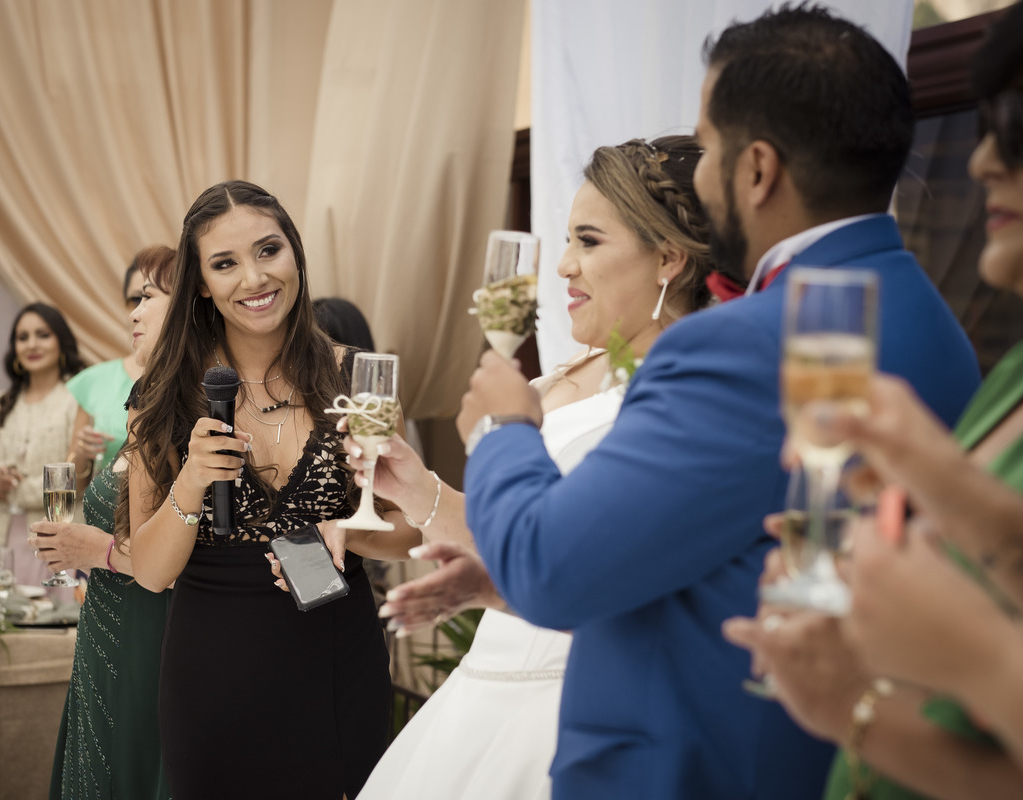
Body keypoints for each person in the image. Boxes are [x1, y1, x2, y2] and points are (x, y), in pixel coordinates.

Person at [445, 7, 980, 799]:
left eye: (709, 146)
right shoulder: (938, 330)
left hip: (690, 770)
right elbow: (739, 542)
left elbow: (551, 566)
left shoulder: (742, 343)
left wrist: (502, 428)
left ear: (756, 169)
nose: (697, 175)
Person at [356, 136, 713, 800]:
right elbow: (512, 538)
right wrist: (416, 485)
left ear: (668, 257)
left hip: (563, 699)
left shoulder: (677, 396)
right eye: (567, 242)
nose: (565, 267)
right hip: (484, 676)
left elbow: (581, 564)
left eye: (589, 242)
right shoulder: (567, 369)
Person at [726, 5, 1023, 796]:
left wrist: (868, 697)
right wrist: (933, 492)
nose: (986, 160)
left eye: (1016, 129)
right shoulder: (1009, 372)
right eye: (988, 127)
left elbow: (567, 566)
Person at [125, 180, 400, 799]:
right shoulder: (164, 397)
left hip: (336, 666)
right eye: (225, 263)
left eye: (268, 250)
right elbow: (148, 571)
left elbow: (409, 530)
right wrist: (192, 481)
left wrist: (349, 531)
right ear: (200, 283)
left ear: (295, 254)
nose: (253, 278)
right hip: (212, 676)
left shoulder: (360, 380)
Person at [37, 245, 177, 800]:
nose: (133, 313)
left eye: (147, 298)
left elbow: (179, 557)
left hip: (154, 635)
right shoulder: (149, 403)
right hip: (107, 631)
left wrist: (96, 551)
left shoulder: (195, 411)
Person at [0, 303, 84, 588]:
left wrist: (16, 490)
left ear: (61, 341)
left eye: (43, 335)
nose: (32, 344)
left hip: (58, 538)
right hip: (6, 535)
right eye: (23, 337)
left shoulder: (78, 397)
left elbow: (76, 477)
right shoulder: (4, 401)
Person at [64, 251, 154, 486]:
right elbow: (74, 486)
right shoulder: (95, 380)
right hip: (107, 517)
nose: (140, 310)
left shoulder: (201, 375)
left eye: (150, 297)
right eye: (135, 299)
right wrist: (82, 454)